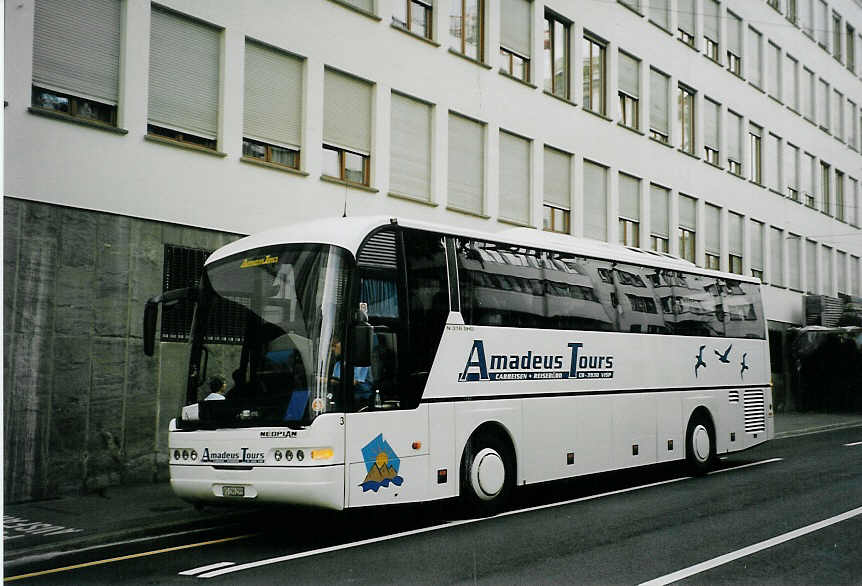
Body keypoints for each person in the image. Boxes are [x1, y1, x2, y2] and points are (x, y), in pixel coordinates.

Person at [329, 339, 373, 404]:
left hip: (362, 401)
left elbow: (353, 382)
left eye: (334, 345)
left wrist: (330, 380)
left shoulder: (362, 362)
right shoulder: (338, 364)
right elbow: (333, 381)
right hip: (343, 398)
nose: (332, 349)